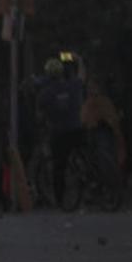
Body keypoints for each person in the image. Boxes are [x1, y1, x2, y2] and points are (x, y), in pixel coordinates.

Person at [36, 58, 85, 206]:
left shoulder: (45, 94)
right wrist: (80, 60)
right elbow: (82, 76)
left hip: (59, 133)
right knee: (84, 152)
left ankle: (59, 199)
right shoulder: (73, 85)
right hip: (77, 130)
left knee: (59, 167)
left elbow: (39, 116)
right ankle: (90, 173)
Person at [80, 77, 125, 187]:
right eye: (90, 87)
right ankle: (97, 183)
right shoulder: (90, 102)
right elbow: (85, 118)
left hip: (103, 132)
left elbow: (111, 117)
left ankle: (103, 183)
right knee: (93, 157)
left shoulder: (103, 101)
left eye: (93, 87)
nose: (91, 90)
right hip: (95, 131)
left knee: (102, 157)